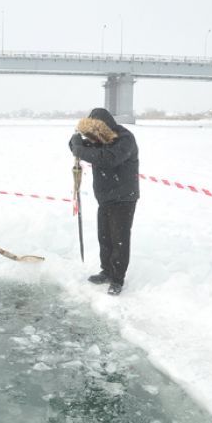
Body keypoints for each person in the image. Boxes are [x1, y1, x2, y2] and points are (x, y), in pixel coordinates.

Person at [69, 108, 139, 296]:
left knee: (119, 240)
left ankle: (117, 279)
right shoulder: (99, 139)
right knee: (105, 237)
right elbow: (82, 148)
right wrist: (75, 142)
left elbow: (108, 159)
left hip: (124, 197)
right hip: (105, 198)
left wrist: (80, 149)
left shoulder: (125, 139)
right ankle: (106, 271)